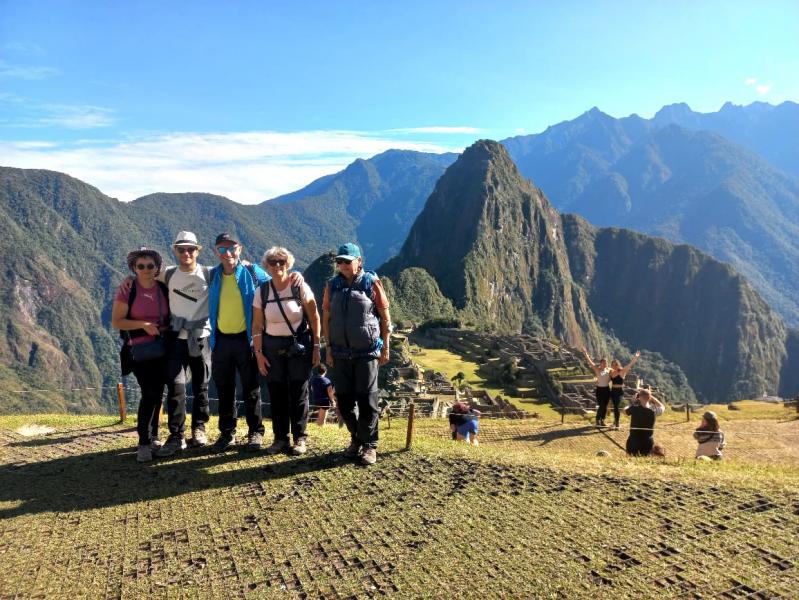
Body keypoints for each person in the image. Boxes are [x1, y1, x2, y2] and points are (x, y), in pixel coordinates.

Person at [322, 242, 391, 466]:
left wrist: (385, 346)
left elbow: (385, 315)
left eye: (347, 261)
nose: (342, 265)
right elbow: (326, 318)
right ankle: (357, 439)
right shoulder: (332, 286)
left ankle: (369, 445)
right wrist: (329, 348)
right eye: (339, 261)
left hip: (367, 352)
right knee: (343, 402)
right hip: (340, 353)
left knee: (368, 399)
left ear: (358, 261)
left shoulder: (371, 283)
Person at [252, 246, 321, 456]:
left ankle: (299, 437)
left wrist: (317, 346)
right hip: (272, 348)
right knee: (276, 392)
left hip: (299, 346)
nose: (277, 266)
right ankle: (280, 438)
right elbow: (256, 326)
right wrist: (259, 354)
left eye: (281, 262)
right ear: (267, 266)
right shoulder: (262, 291)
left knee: (299, 392)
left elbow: (315, 316)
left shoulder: (299, 287)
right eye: (273, 262)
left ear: (288, 264)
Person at [208, 233, 269, 453]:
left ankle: (256, 432)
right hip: (221, 340)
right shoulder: (212, 276)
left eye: (231, 248)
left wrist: (296, 278)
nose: (228, 254)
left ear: (240, 249)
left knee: (251, 388)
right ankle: (227, 433)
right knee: (224, 388)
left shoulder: (253, 273)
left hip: (247, 339)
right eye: (222, 250)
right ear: (216, 252)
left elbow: (278, 284)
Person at [111, 247, 170, 463]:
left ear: (157, 268)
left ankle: (153, 436)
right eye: (140, 266)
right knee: (150, 393)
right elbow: (117, 321)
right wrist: (144, 325)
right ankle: (144, 442)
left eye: (150, 266)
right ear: (134, 268)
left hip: (163, 348)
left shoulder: (163, 287)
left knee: (158, 393)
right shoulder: (128, 289)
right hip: (139, 351)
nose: (145, 269)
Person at [624, 389, 665, 457]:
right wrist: (652, 398)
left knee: (631, 459)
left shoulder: (634, 409)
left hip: (633, 440)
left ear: (639, 397)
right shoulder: (653, 411)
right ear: (649, 398)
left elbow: (624, 411)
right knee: (645, 459)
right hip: (647, 441)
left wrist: (632, 402)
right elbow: (662, 407)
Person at [608, 351, 641, 430]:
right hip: (612, 391)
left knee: (616, 407)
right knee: (614, 407)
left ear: (618, 364)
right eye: (613, 364)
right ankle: (615, 422)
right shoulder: (611, 372)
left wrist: (635, 357)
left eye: (616, 364)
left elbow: (630, 364)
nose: (614, 366)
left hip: (619, 391)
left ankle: (617, 424)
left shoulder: (622, 371)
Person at [582, 348, 611, 427]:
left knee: (605, 406)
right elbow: (590, 362)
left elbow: (617, 371)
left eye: (605, 363)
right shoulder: (597, 370)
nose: (605, 364)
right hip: (600, 390)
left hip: (607, 389)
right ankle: (598, 419)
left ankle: (602, 420)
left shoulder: (609, 370)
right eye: (603, 363)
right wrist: (585, 353)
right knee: (601, 405)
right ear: (600, 364)